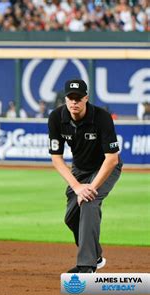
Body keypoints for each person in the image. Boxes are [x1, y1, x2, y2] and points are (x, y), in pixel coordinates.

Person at [48, 79, 122, 273]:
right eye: (70, 98)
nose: (74, 102)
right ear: (65, 99)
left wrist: (90, 188)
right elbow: (56, 158)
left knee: (89, 202)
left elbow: (112, 159)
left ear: (86, 98)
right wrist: (78, 187)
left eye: (78, 98)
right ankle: (95, 255)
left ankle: (87, 265)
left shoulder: (101, 117)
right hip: (80, 170)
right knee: (71, 218)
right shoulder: (56, 117)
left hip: (105, 167)